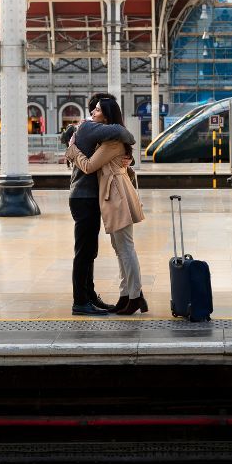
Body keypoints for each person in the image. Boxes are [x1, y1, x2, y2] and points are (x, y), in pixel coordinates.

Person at [66, 98, 148, 316]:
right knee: (119, 248)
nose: (93, 111)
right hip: (112, 196)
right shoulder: (107, 138)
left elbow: (89, 166)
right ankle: (126, 295)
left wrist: (72, 150)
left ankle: (135, 296)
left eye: (98, 109)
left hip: (117, 197)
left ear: (108, 115)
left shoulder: (111, 141)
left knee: (124, 248)